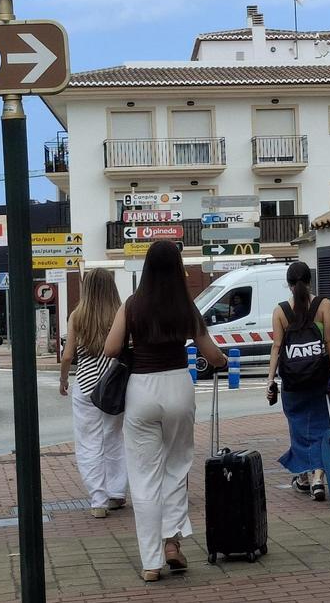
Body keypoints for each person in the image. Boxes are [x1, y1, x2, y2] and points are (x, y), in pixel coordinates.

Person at [103, 241, 227, 582]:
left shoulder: (131, 306)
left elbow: (111, 348)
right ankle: (172, 544)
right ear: (177, 268)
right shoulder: (186, 306)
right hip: (178, 388)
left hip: (142, 389)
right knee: (176, 468)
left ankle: (151, 563)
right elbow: (212, 354)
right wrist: (223, 361)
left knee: (144, 478)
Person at [266, 261, 330, 501]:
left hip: (293, 381)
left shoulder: (280, 311)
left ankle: (305, 475)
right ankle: (318, 477)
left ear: (288, 285)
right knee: (322, 426)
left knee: (299, 429)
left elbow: (277, 347)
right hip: (321, 378)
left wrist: (270, 380)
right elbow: (329, 341)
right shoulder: (324, 305)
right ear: (310, 281)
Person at [59, 268, 128, 519]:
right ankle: (117, 493)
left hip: (86, 387)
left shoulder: (78, 315)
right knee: (114, 439)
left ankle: (98, 500)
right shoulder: (120, 312)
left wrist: (64, 379)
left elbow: (68, 355)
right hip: (113, 386)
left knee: (89, 443)